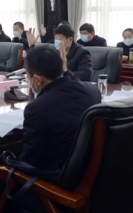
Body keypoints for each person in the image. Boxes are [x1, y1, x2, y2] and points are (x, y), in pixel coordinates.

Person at [21, 44, 101, 182]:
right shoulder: (93, 92)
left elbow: (31, 161)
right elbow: (75, 82)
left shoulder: (37, 108)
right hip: (92, 177)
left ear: (37, 79)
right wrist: (65, 71)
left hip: (56, 183)